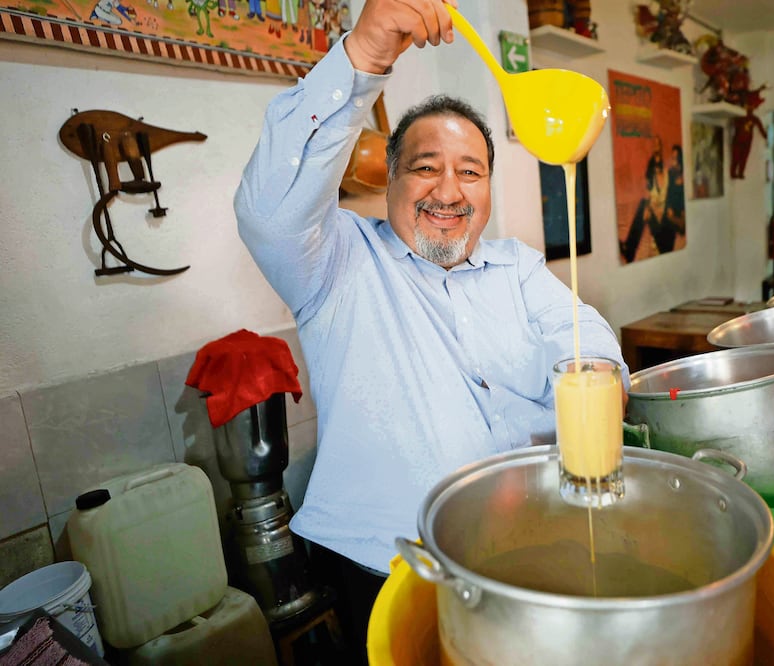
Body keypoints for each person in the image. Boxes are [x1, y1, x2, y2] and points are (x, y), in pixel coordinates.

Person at [233, 0, 627, 660]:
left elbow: (582, 336)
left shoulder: (517, 267)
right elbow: (266, 213)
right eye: (424, 166)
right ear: (386, 180)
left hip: (534, 548)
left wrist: (597, 379)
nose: (448, 190)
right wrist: (363, 53)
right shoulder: (338, 267)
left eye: (469, 171)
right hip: (398, 572)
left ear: (489, 190)